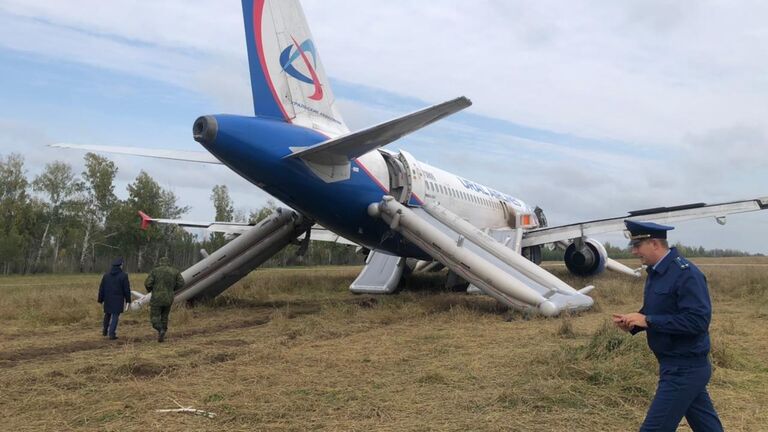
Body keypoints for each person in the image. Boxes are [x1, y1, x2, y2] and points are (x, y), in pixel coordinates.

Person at [613, 220, 723, 432]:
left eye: (637, 246)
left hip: (685, 368)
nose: (634, 251)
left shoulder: (686, 273)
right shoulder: (656, 272)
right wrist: (634, 323)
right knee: (707, 427)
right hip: (673, 364)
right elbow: (656, 311)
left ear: (655, 243)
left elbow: (697, 321)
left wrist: (649, 321)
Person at [144, 256, 184, 342]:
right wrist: (172, 289)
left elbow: (148, 283)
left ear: (160, 262)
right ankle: (162, 335)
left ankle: (160, 330)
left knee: (154, 317)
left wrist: (150, 290)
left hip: (156, 298)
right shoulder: (175, 271)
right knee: (164, 317)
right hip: (168, 298)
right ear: (168, 262)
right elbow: (181, 283)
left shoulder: (155, 271)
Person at [97, 257, 131, 340]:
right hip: (118, 299)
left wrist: (100, 299)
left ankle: (105, 331)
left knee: (107, 314)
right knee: (115, 316)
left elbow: (101, 288)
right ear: (120, 265)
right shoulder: (124, 276)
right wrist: (128, 300)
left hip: (108, 298)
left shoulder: (106, 275)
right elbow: (126, 289)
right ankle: (111, 334)